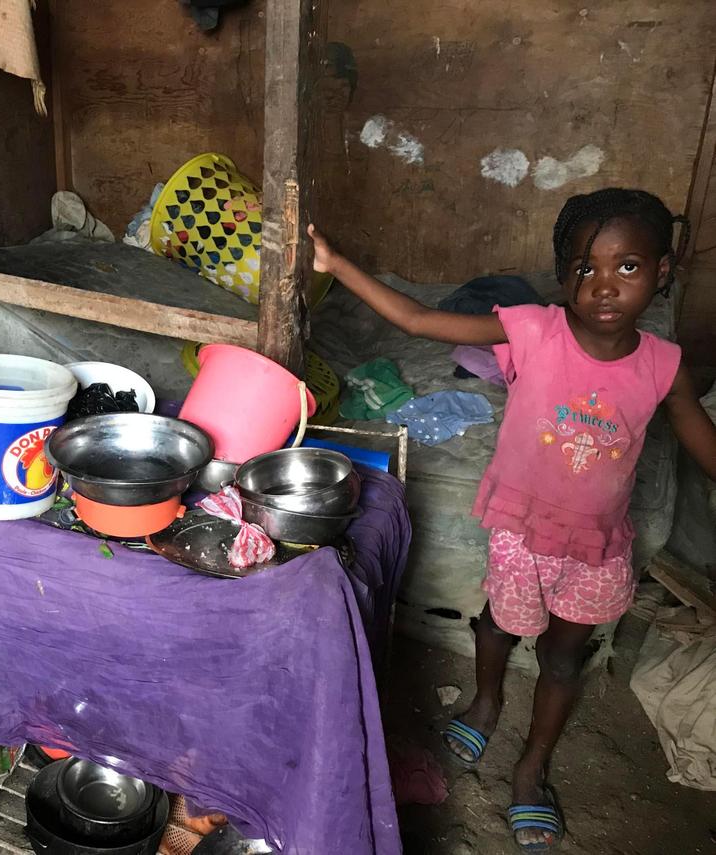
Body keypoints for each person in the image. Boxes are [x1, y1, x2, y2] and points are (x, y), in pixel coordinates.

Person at [309, 188, 716, 852]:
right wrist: (337, 264)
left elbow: (706, 448)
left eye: (629, 267)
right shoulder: (533, 327)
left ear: (663, 273)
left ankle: (532, 765)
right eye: (585, 268)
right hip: (519, 527)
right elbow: (417, 320)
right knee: (499, 620)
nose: (604, 285)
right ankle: (485, 701)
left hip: (593, 544)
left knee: (563, 655)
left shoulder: (664, 367)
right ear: (563, 280)